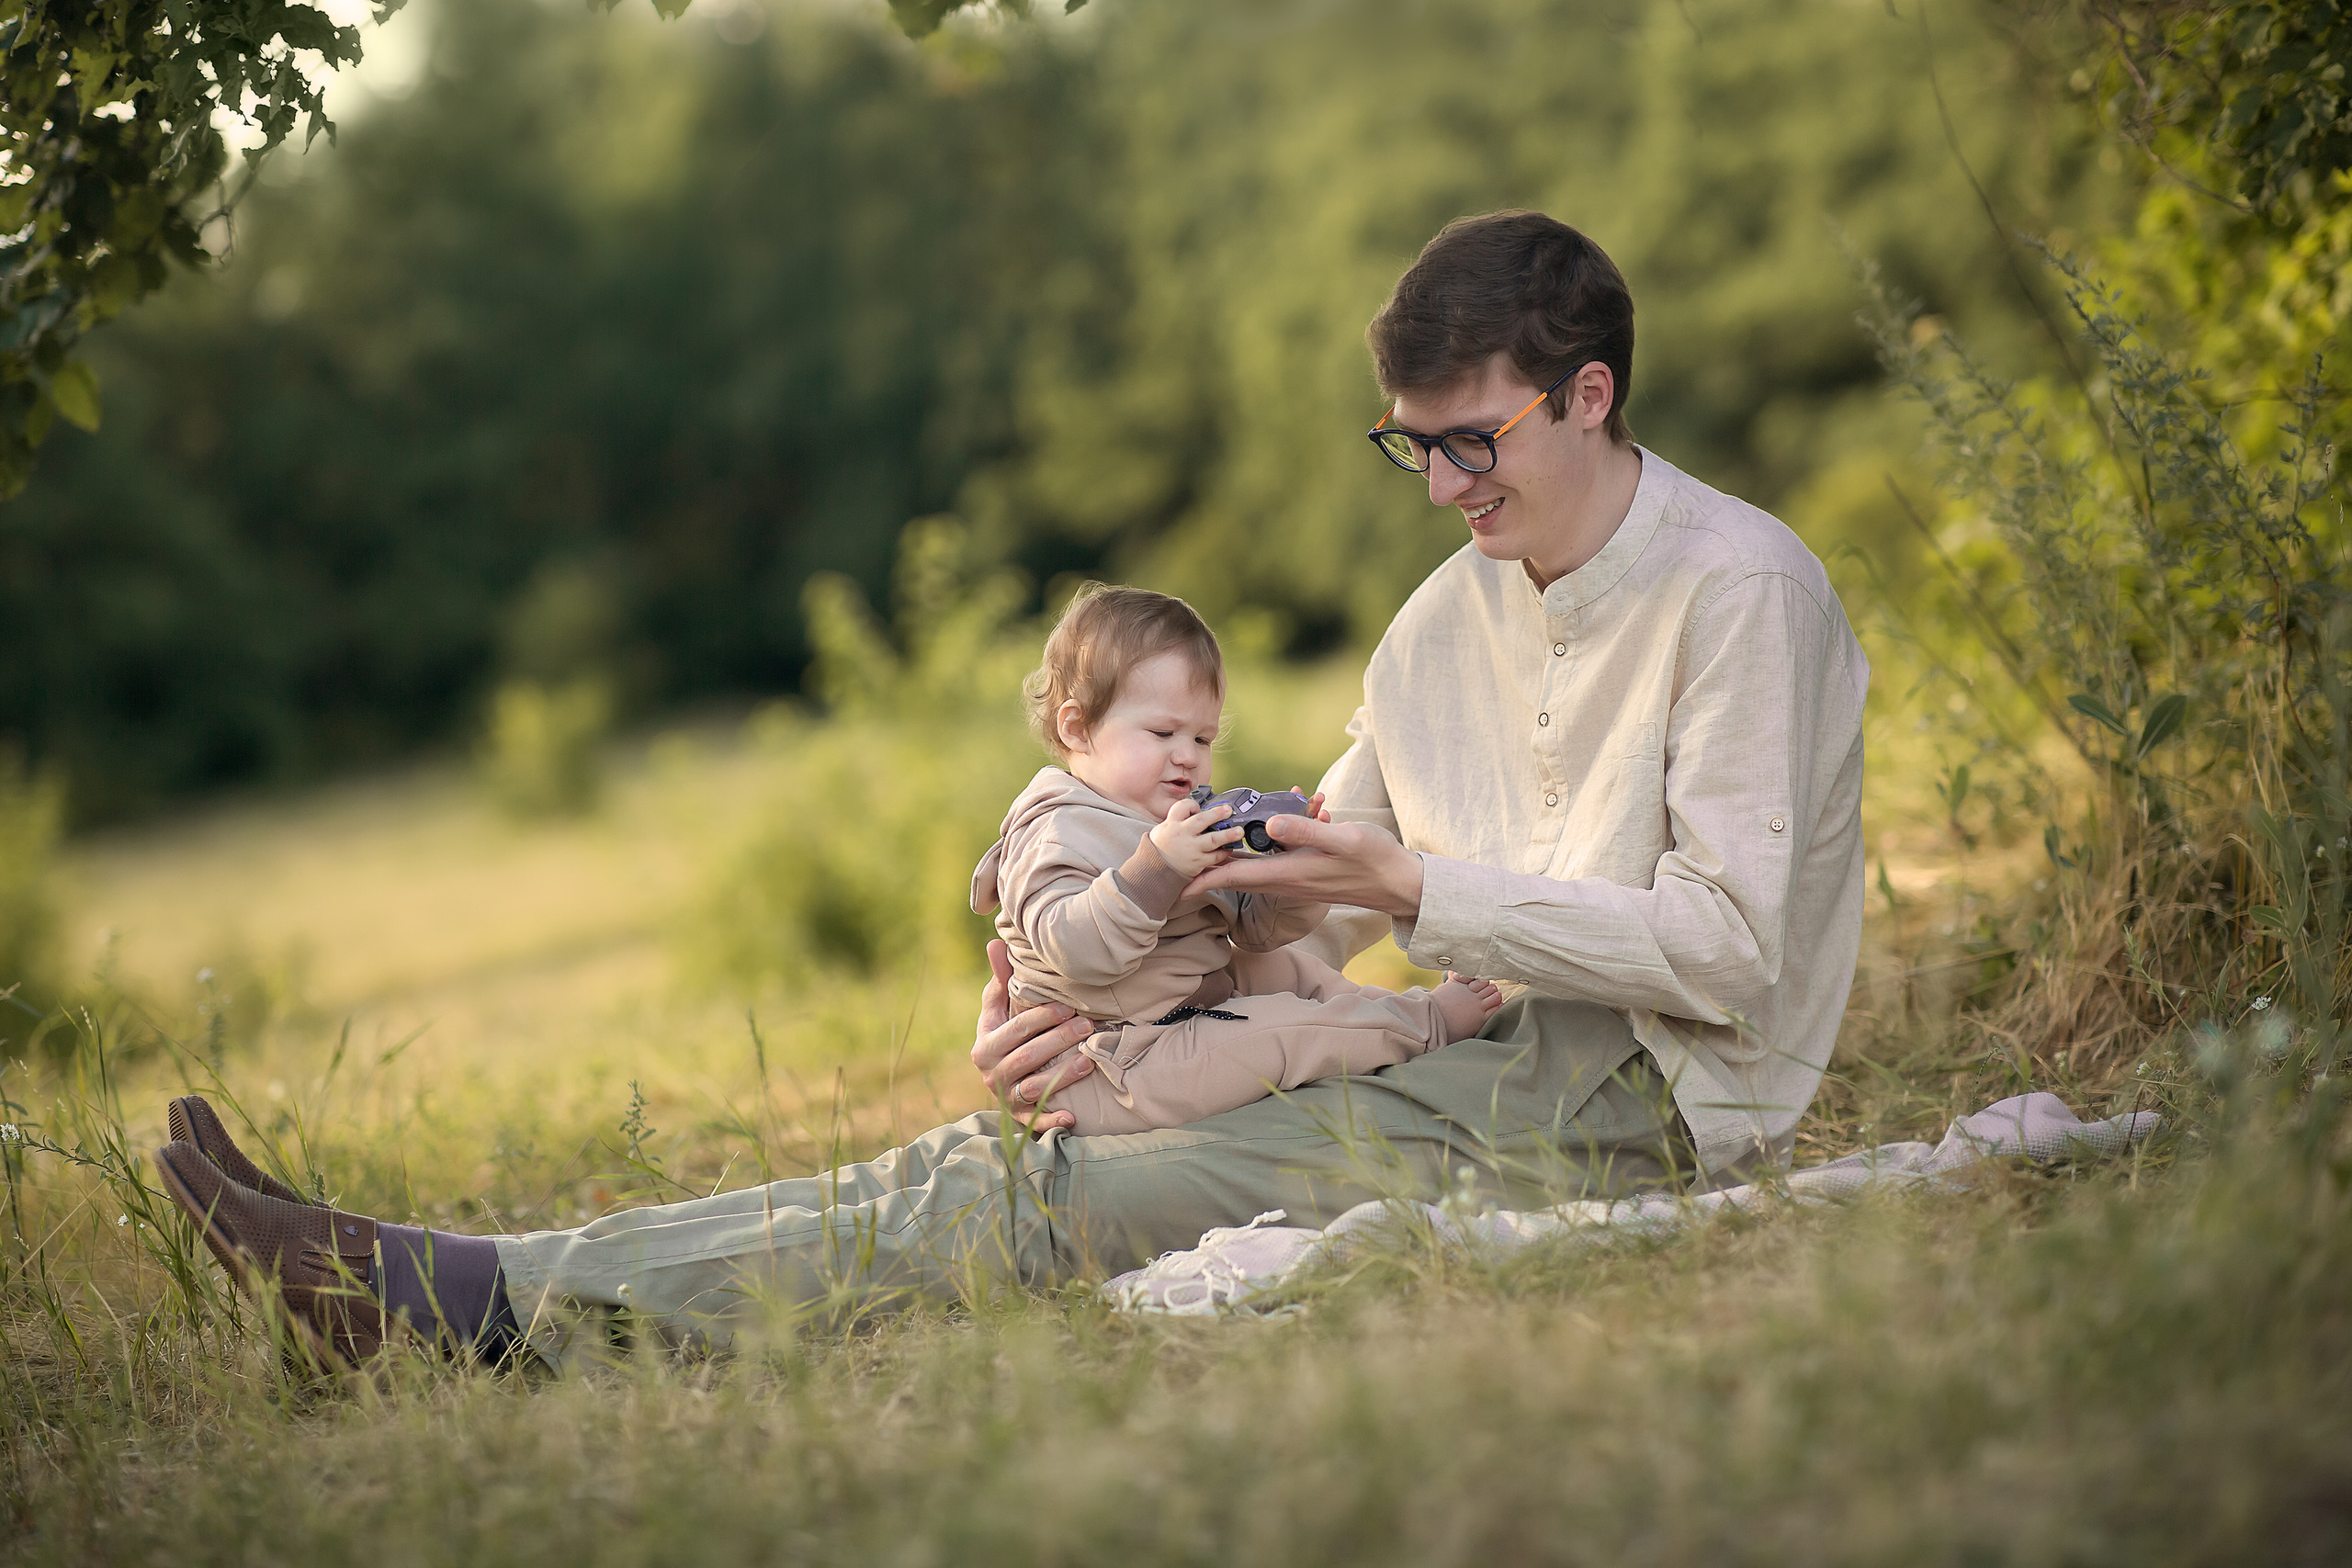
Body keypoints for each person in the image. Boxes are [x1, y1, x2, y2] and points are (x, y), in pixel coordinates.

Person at [153, 209, 1868, 1370]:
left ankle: (485, 1306)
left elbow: (1727, 956)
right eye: (1408, 446)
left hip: (1640, 1103)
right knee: (992, 1148)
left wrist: (1409, 892)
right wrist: (1076, 995)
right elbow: (1298, 904)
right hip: (1472, 1052)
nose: (1436, 489)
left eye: (1468, 443)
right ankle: (468, 1277)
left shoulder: (1741, 590)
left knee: (1047, 1204)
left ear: (1590, 395)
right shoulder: (1441, 626)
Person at [976, 582, 1502, 1137]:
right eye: (1161, 732)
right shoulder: (1055, 829)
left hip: (1180, 1012)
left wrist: (1290, 880)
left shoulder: (1176, 820)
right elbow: (1076, 950)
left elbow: (1254, 931)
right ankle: (1425, 1027)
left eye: (1203, 738)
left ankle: (1381, 1018)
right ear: (1077, 728)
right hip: (1111, 1063)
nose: (1187, 756)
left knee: (1282, 971)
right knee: (1276, 1030)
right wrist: (1159, 866)